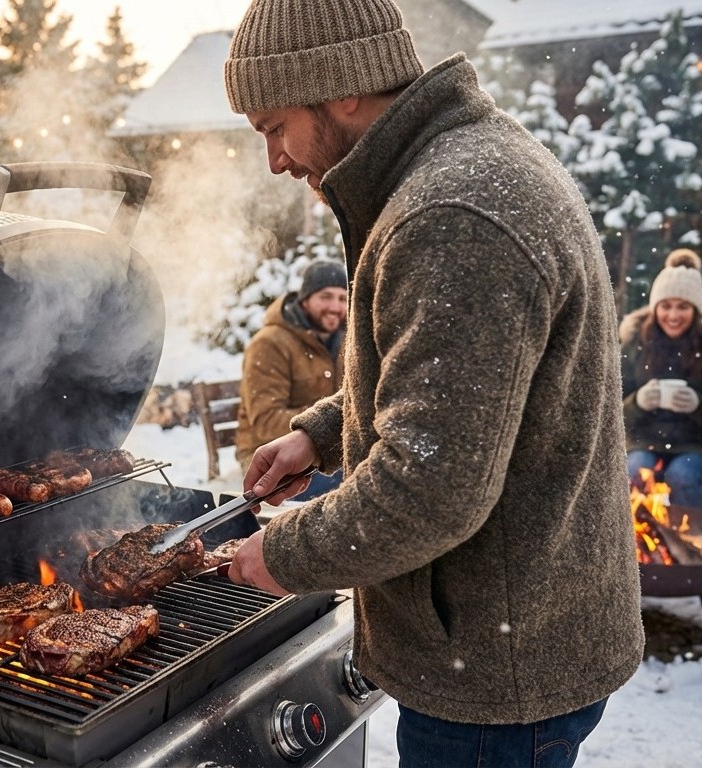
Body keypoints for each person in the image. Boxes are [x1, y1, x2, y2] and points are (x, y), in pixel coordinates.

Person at [220, 1, 644, 765]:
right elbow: (457, 387)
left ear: (341, 88)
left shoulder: (451, 212)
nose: (275, 161)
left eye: (273, 126)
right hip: (515, 633)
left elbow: (428, 488)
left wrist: (280, 555)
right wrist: (318, 434)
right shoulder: (464, 167)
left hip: (495, 670)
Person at [620, 248, 702, 514]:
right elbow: (614, 416)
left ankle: (686, 547)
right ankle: (635, 547)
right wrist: (638, 402)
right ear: (654, 308)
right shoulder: (634, 346)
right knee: (634, 471)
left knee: (682, 476)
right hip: (643, 442)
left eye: (683, 307)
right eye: (666, 306)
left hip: (700, 448)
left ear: (696, 310)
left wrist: (697, 406)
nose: (673, 315)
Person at [236, 258, 347, 500]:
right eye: (326, 296)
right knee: (350, 484)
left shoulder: (344, 340)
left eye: (342, 298)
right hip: (269, 456)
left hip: (321, 449)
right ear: (305, 299)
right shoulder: (270, 343)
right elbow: (266, 420)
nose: (336, 307)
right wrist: (320, 425)